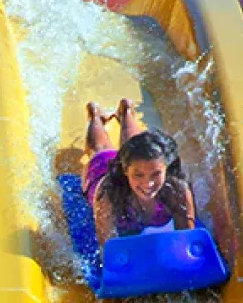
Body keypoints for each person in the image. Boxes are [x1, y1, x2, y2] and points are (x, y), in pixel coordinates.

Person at [84, 98, 196, 245]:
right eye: (138, 175)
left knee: (136, 147)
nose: (148, 183)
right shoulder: (108, 192)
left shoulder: (177, 191)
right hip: (105, 169)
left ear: (166, 169)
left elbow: (187, 241)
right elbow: (108, 248)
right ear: (125, 170)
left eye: (156, 174)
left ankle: (126, 112)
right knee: (100, 149)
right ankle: (96, 116)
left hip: (135, 164)